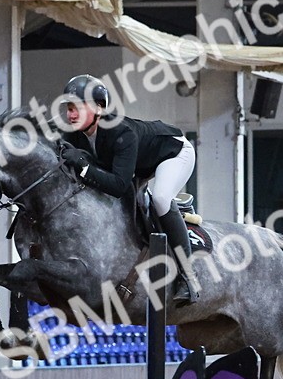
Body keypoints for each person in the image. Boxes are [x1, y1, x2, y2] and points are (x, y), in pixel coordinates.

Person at [57, 74, 198, 306]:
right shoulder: (73, 134)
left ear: (99, 108)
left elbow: (119, 186)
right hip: (137, 165)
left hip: (174, 153)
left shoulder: (121, 132)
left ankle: (188, 277)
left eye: (77, 108)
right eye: (69, 108)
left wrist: (82, 166)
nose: (71, 114)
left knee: (161, 199)